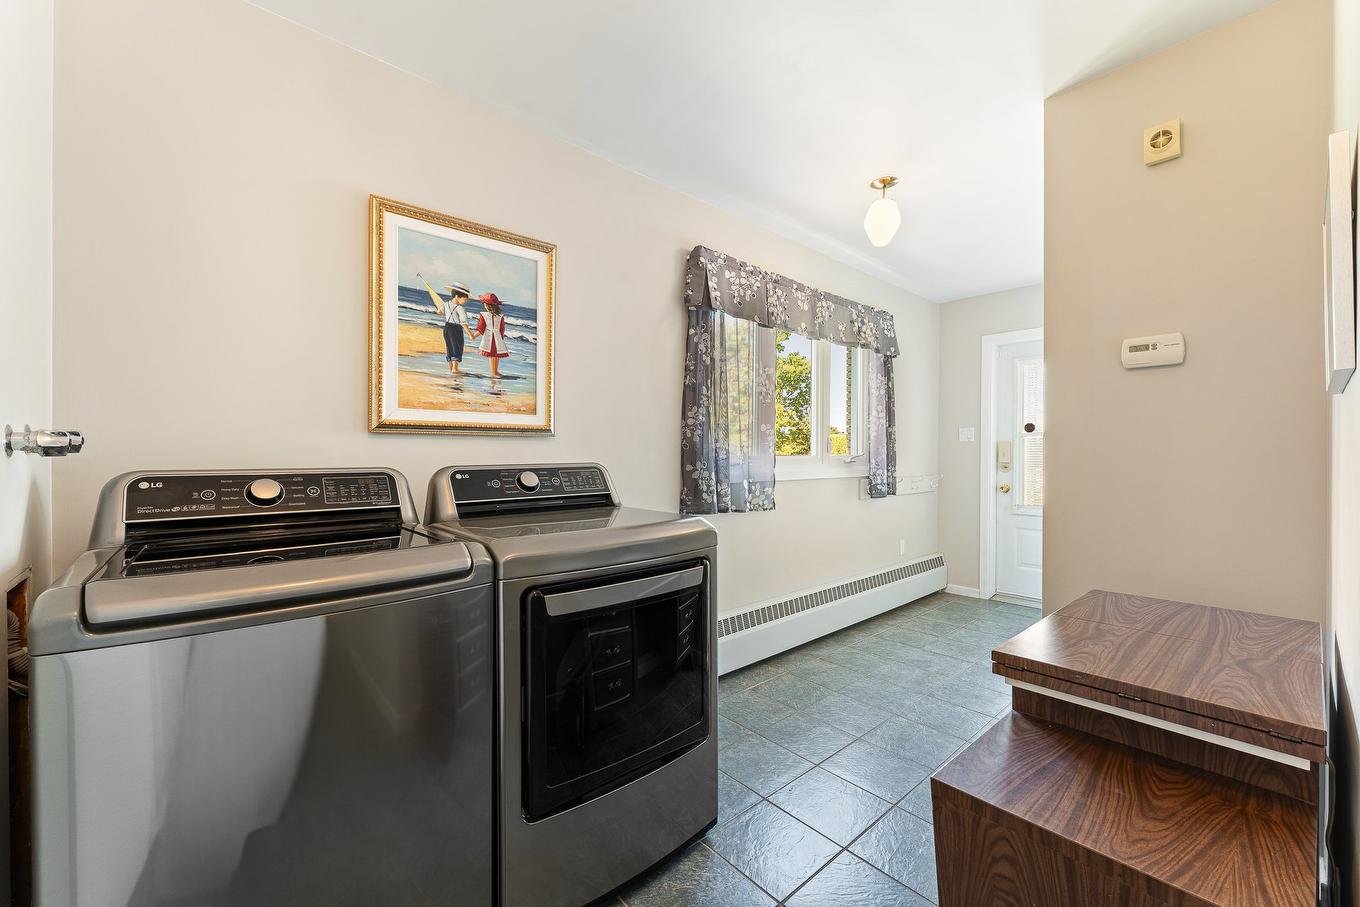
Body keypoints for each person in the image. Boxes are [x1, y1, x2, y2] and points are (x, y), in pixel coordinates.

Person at [472, 292, 510, 377]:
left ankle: (493, 372)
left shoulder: (483, 315)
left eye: (484, 303)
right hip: (498, 337)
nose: (484, 305)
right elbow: (502, 329)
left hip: (489, 337)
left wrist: (473, 336)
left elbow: (481, 329)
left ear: (487, 305)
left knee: (492, 355)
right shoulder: (500, 316)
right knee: (496, 355)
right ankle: (495, 371)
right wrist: (501, 338)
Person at [440, 283, 473, 374]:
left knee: (449, 346)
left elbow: (439, 312)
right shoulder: (460, 308)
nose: (465, 301)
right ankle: (455, 369)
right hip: (456, 329)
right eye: (465, 299)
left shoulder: (446, 304)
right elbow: (464, 323)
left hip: (447, 328)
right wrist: (471, 335)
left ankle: (451, 368)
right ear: (458, 296)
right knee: (457, 347)